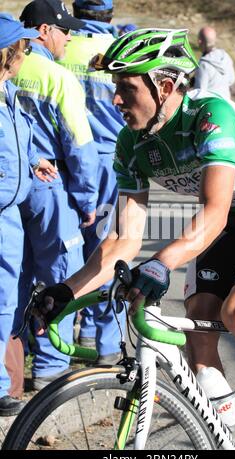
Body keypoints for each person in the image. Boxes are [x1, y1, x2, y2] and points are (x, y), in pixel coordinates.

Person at [35, 29, 235, 387]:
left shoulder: (209, 115)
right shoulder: (131, 143)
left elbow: (215, 210)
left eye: (127, 88)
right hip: (234, 218)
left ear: (164, 87)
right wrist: (67, 291)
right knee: (199, 320)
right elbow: (122, 239)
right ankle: (220, 427)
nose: (115, 100)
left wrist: (162, 261)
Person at [13, 0, 99, 391]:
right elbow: (80, 147)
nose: (69, 37)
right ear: (44, 31)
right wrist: (87, 201)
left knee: (15, 277)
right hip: (52, 189)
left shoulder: (7, 68)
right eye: (64, 30)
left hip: (13, 185)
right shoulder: (59, 78)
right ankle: (49, 368)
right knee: (60, 276)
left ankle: (13, 363)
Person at [58, 0, 125, 361]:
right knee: (109, 251)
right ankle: (107, 344)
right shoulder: (117, 51)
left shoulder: (62, 50)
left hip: (68, 163)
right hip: (115, 163)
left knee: (67, 250)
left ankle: (60, 337)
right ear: (110, 15)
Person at [0, 13, 56, 415]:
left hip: (10, 214)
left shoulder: (10, 93)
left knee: (6, 300)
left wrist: (34, 159)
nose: (27, 51)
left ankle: (2, 383)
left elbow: (20, 135)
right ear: (7, 55)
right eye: (21, 47)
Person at [194, 26, 235, 99]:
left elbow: (199, 92)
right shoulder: (225, 57)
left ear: (200, 41)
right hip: (227, 103)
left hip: (210, 106)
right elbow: (231, 80)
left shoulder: (203, 64)